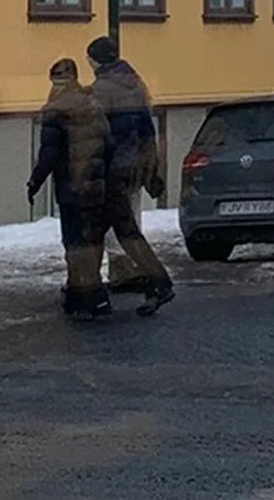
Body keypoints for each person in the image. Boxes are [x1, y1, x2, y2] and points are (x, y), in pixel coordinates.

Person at [86, 35, 175, 316]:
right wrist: (151, 167)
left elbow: (95, 134)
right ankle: (85, 289)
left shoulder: (102, 90)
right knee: (98, 231)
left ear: (94, 60)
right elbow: (147, 129)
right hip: (132, 167)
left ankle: (159, 283)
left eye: (89, 58)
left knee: (124, 232)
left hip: (111, 171)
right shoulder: (134, 83)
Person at [27, 58, 113, 319]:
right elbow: (108, 143)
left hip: (72, 186)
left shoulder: (54, 110)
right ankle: (80, 295)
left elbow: (49, 154)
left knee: (75, 242)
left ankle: (92, 296)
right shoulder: (93, 104)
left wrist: (35, 182)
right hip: (96, 185)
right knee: (90, 239)